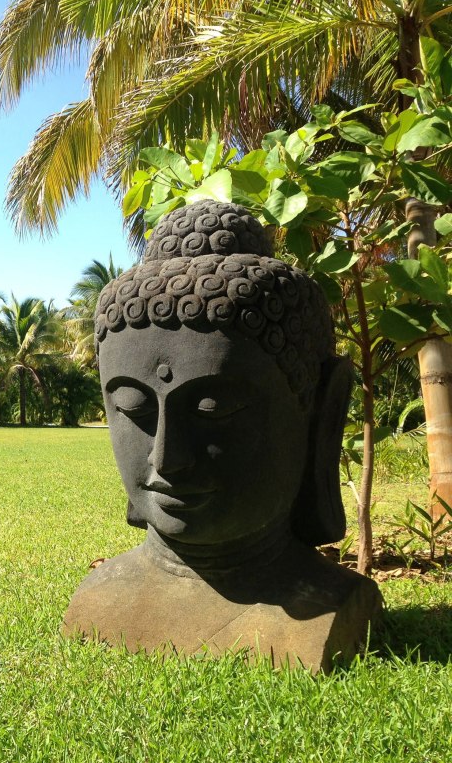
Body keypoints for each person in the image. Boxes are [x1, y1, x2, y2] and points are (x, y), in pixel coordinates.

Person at [61, 201, 382, 672]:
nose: (168, 459)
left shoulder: (335, 606)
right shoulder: (96, 597)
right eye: (133, 406)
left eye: (212, 408)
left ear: (318, 414)